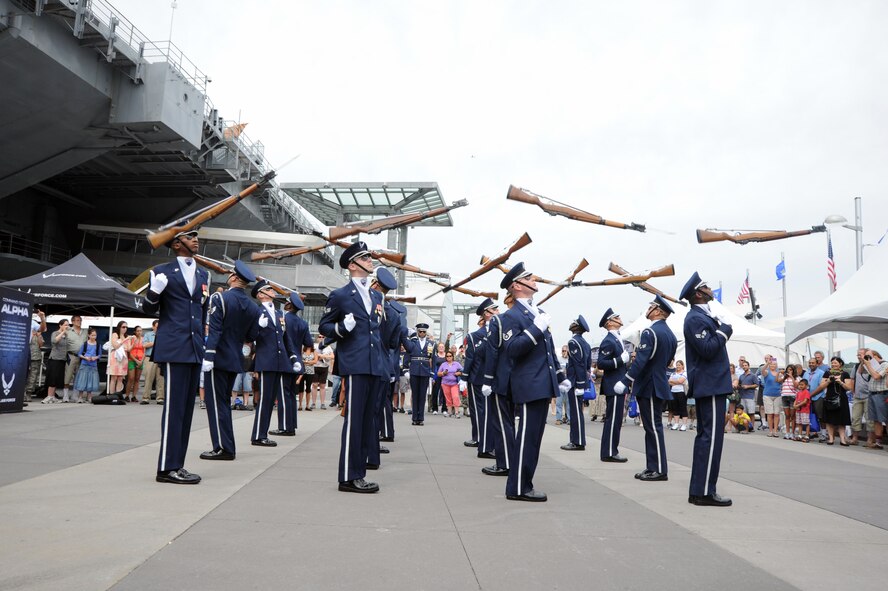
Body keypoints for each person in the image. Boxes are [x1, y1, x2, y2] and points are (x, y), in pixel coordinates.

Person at [492, 262, 567, 502]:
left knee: (533, 438)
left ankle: (524, 483)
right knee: (526, 438)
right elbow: (512, 349)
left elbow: (548, 352)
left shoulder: (536, 312)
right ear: (517, 285)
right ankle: (517, 488)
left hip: (541, 383)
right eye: (529, 278)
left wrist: (560, 376)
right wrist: (536, 329)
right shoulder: (512, 316)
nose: (535, 281)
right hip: (527, 384)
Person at [319, 241, 388, 494]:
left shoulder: (376, 295)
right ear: (352, 265)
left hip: (374, 365)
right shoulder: (340, 295)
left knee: (368, 422)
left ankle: (359, 473)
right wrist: (340, 329)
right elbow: (325, 327)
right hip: (356, 364)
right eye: (365, 257)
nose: (371, 260)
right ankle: (348, 476)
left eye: (369, 256)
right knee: (354, 421)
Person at [143, 228, 207, 484]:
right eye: (191, 237)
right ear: (177, 243)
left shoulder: (203, 273)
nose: (196, 240)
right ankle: (166, 467)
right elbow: (149, 309)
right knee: (173, 409)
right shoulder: (161, 271)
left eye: (196, 237)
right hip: (174, 346)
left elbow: (199, 311)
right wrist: (154, 291)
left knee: (186, 411)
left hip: (194, 347)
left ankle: (177, 464)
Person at [199, 261, 263, 461]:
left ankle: (223, 448)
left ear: (234, 278)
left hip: (217, 358)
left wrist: (209, 355)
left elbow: (215, 329)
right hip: (235, 359)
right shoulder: (253, 307)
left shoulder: (220, 297)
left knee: (216, 404)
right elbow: (251, 336)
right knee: (223, 403)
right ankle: (227, 445)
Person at [680, 271, 733, 507]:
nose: (711, 289)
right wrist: (724, 331)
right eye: (707, 287)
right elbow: (708, 349)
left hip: (711, 384)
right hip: (710, 384)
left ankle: (701, 490)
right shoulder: (694, 319)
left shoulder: (703, 317)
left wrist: (717, 325)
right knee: (710, 439)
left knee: (708, 438)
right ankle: (703, 492)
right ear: (699, 294)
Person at [615, 295, 677, 480]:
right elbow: (667, 362)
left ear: (657, 311)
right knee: (651, 427)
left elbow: (641, 360)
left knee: (653, 428)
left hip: (649, 386)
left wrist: (625, 380)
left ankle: (658, 469)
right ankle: (652, 466)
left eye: (650, 306)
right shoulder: (671, 335)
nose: (647, 309)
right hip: (658, 384)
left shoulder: (650, 332)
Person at [251, 279, 293, 448]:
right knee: (265, 399)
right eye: (269, 289)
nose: (272, 291)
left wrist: (293, 358)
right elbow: (250, 336)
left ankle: (262, 434)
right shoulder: (256, 312)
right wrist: (257, 327)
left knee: (270, 400)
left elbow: (285, 339)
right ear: (261, 294)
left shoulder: (279, 313)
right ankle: (258, 435)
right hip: (266, 361)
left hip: (279, 361)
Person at [371, 268, 406, 446]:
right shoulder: (393, 315)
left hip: (368, 363)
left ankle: (371, 443)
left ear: (375, 284)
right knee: (380, 404)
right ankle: (379, 440)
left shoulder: (367, 305)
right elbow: (393, 344)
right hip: (385, 364)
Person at [481, 294, 514, 477]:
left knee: (501, 424)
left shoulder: (500, 323)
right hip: (510, 378)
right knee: (506, 424)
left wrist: (488, 379)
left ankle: (505, 463)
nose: (496, 311)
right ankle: (508, 461)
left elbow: (493, 353)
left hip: (500, 379)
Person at [275, 292, 313, 437]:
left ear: (288, 304)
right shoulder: (303, 323)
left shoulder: (282, 319)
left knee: (284, 394)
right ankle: (291, 425)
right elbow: (309, 343)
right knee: (291, 394)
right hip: (297, 361)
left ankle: (285, 427)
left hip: (284, 360)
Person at [462, 297, 497, 450]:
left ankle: (485, 438)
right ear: (486, 313)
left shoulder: (496, 331)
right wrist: (464, 377)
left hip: (491, 378)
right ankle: (477, 437)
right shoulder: (474, 336)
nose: (498, 311)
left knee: (488, 411)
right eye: (494, 309)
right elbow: (470, 358)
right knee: (477, 410)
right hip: (476, 377)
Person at [597, 307, 630, 463]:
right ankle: (609, 452)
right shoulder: (609, 340)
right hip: (613, 384)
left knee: (616, 420)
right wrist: (619, 361)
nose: (620, 318)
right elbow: (602, 364)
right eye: (617, 317)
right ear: (610, 322)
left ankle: (611, 450)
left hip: (618, 383)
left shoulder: (616, 338)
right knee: (613, 420)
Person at [561, 315, 592, 451]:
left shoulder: (573, 342)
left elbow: (579, 364)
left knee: (575, 413)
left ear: (575, 327)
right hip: (579, 381)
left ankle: (577, 441)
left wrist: (579, 384)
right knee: (576, 412)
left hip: (575, 382)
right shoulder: (585, 343)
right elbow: (587, 364)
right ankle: (577, 440)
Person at [407, 323, 437, 426]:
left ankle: (421, 418)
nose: (422, 333)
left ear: (426, 332)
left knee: (422, 395)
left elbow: (434, 358)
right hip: (415, 370)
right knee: (415, 394)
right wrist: (406, 369)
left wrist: (432, 373)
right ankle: (415, 418)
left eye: (424, 331)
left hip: (425, 371)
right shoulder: (413, 342)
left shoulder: (431, 343)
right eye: (420, 331)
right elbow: (408, 354)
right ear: (417, 332)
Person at [820, 356, 852, 445]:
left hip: (842, 398)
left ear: (840, 363)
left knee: (842, 420)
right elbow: (821, 386)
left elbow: (849, 387)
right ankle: (831, 438)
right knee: (829, 419)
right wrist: (828, 381)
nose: (834, 364)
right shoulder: (827, 373)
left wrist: (840, 382)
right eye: (832, 363)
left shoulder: (845, 374)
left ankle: (842, 439)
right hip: (830, 398)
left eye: (835, 363)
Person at [861, 350, 888, 449]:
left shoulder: (885, 364)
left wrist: (868, 365)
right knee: (876, 420)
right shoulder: (872, 365)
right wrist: (863, 362)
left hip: (882, 394)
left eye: (868, 356)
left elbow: (876, 376)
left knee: (885, 419)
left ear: (875, 355)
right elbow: (860, 372)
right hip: (872, 393)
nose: (867, 358)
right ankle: (878, 442)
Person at [43, 319, 71, 403]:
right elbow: (54, 341)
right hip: (54, 358)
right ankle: (48, 396)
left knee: (57, 379)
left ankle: (53, 396)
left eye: (68, 325)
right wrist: (62, 332)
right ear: (60, 325)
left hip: (62, 359)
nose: (67, 326)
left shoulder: (66, 336)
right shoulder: (55, 333)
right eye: (65, 325)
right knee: (52, 378)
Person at [63, 315, 87, 403]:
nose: (79, 322)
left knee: (79, 376)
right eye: (77, 320)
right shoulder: (68, 331)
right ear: (72, 322)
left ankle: (74, 395)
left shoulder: (85, 332)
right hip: (71, 355)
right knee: (68, 376)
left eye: (80, 320)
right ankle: (65, 395)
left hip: (82, 357)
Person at [73, 328, 101, 403]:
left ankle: (89, 396)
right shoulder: (85, 344)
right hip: (85, 364)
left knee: (91, 381)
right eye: (92, 335)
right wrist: (85, 357)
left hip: (93, 365)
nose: (94, 337)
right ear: (89, 335)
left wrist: (95, 357)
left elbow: (99, 355)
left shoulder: (98, 344)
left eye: (95, 335)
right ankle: (80, 397)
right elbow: (79, 354)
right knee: (82, 380)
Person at [140, 320, 164, 405]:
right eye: (157, 327)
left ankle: (160, 398)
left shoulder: (163, 334)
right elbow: (144, 345)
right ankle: (146, 398)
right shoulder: (148, 334)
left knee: (160, 379)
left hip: (161, 358)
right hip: (150, 358)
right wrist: (154, 343)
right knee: (148, 378)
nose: (158, 328)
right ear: (153, 326)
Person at [850, 348, 870, 445]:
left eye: (860, 354)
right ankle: (855, 438)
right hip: (857, 396)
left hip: (868, 396)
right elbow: (852, 379)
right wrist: (853, 391)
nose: (858, 356)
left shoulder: (871, 365)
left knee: (869, 418)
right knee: (855, 417)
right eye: (857, 355)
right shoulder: (856, 366)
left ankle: (870, 440)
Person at [107, 321, 132, 397]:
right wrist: (125, 340)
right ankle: (111, 395)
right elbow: (115, 346)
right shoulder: (115, 334)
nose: (125, 329)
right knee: (114, 377)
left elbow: (128, 349)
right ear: (119, 327)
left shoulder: (126, 336)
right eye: (123, 327)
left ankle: (117, 395)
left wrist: (133, 342)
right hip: (115, 357)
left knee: (120, 377)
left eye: (126, 327)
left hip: (123, 358)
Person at [437, 351, 463, 418]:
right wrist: (443, 373)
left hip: (454, 383)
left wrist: (459, 373)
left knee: (455, 397)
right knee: (448, 398)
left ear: (452, 356)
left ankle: (457, 412)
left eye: (450, 356)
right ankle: (449, 412)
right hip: (445, 383)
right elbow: (438, 373)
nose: (449, 357)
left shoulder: (456, 364)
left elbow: (463, 370)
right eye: (447, 356)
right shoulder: (443, 364)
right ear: (446, 357)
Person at [760, 359, 782, 437]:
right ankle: (770, 431)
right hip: (767, 395)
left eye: (774, 364)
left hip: (777, 395)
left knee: (776, 413)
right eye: (771, 364)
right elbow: (762, 370)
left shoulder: (779, 374)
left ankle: (775, 431)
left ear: (776, 365)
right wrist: (767, 363)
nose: (773, 366)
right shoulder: (767, 372)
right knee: (770, 413)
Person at [124, 326, 145, 403]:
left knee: (137, 379)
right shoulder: (132, 339)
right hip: (132, 360)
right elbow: (129, 352)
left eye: (141, 331)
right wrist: (136, 360)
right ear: (135, 332)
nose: (139, 332)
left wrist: (141, 361)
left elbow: (145, 351)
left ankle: (134, 396)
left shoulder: (143, 339)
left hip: (140, 360)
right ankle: (127, 395)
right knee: (131, 378)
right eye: (138, 331)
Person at [736, 360, 757, 433]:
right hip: (742, 396)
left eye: (746, 365)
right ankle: (745, 427)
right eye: (743, 366)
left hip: (750, 396)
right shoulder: (741, 376)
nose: (744, 367)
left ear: (748, 366)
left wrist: (748, 386)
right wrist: (738, 386)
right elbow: (739, 384)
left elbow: (756, 384)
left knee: (751, 413)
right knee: (743, 413)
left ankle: (752, 427)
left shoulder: (753, 375)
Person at [667, 360, 689, 431]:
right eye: (677, 365)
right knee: (675, 408)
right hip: (673, 391)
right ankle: (676, 423)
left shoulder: (685, 373)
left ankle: (684, 424)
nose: (678, 366)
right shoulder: (673, 373)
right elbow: (669, 381)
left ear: (682, 366)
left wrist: (674, 382)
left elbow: (681, 381)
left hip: (681, 392)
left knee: (682, 408)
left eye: (679, 365)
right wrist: (677, 382)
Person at [778, 364, 798, 440]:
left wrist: (792, 376)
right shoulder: (784, 377)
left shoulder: (797, 378)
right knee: (787, 415)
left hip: (793, 397)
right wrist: (779, 373)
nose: (789, 371)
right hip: (784, 396)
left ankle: (792, 432)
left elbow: (796, 386)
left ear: (793, 370)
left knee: (792, 416)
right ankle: (787, 432)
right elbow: (777, 380)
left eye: (791, 370)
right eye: (788, 369)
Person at [313, 333, 332, 410]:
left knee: (322, 386)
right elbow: (311, 355)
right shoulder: (314, 346)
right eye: (319, 337)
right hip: (315, 366)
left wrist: (322, 356)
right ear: (317, 338)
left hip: (324, 367)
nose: (321, 338)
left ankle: (322, 403)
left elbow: (332, 356)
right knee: (314, 385)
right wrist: (317, 357)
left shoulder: (328, 346)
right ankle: (313, 403)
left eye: (322, 337)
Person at [431, 342, 448, 415]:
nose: (441, 348)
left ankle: (444, 409)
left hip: (445, 376)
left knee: (445, 393)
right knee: (435, 392)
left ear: (444, 348)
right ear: (437, 348)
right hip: (436, 376)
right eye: (440, 347)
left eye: (442, 347)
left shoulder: (447, 356)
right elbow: (432, 366)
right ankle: (435, 409)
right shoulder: (434, 356)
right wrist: (433, 378)